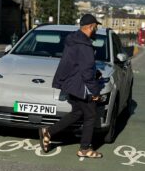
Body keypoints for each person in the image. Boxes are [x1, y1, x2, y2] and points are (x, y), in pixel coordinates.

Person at [38, 13, 103, 159]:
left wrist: (94, 71)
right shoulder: (84, 45)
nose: (96, 30)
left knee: (77, 113)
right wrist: (95, 91)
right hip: (80, 86)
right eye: (96, 27)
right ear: (91, 27)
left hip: (70, 84)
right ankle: (85, 149)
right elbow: (86, 72)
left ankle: (48, 131)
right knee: (91, 115)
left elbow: (77, 64)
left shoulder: (73, 40)